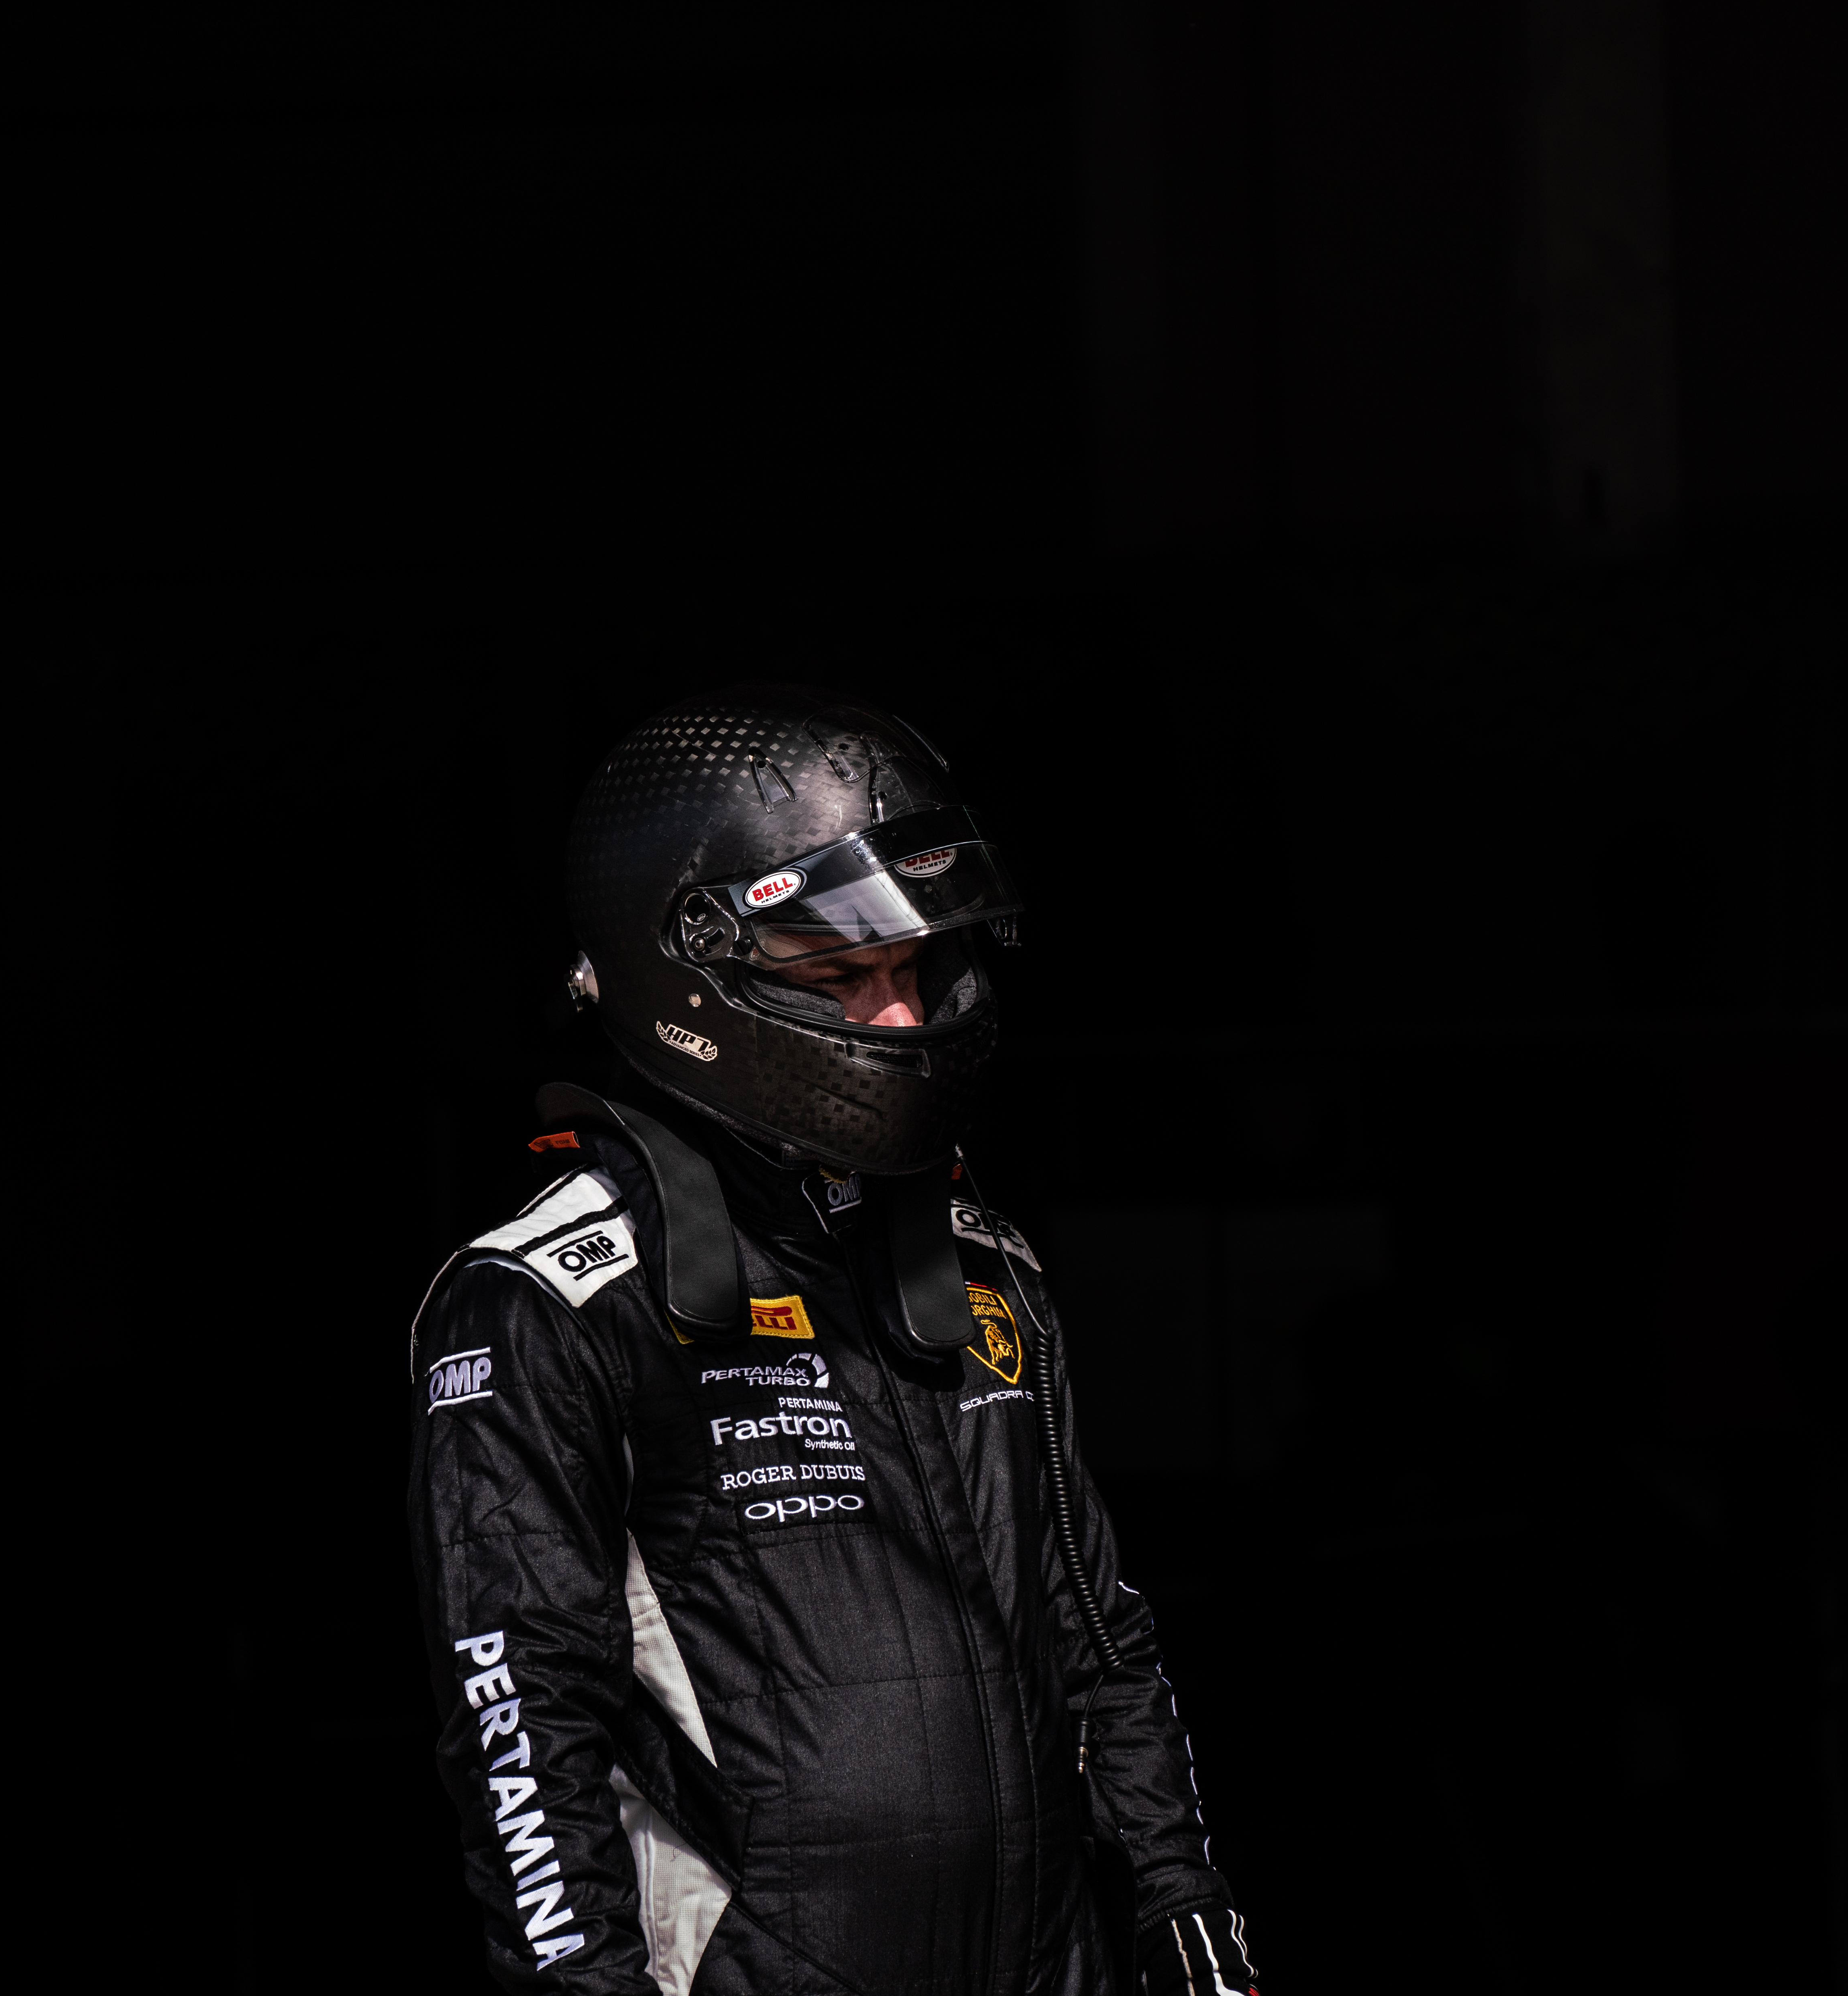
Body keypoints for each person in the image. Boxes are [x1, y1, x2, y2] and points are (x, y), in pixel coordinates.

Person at [406, 685, 1257, 1996]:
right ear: (692, 967)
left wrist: (1183, 1900)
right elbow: (521, 1735)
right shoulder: (549, 1301)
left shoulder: (982, 1261)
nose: (902, 1020)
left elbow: (1098, 1634)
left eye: (913, 970)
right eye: (843, 976)